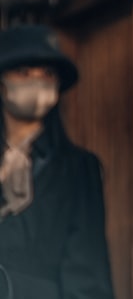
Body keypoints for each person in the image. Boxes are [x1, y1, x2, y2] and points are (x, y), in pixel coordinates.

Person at [0, 24, 114, 299]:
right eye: (24, 72)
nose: (36, 82)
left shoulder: (77, 169)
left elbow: (88, 275)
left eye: (47, 75)